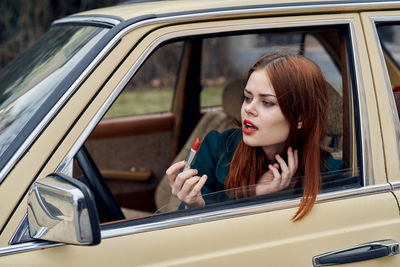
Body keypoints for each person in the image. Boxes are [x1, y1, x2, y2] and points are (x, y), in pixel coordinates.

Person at [166, 52, 344, 221]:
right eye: (247, 97)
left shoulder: (333, 172)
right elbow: (189, 233)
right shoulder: (217, 146)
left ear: (300, 118)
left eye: (267, 102)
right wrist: (196, 204)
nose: (248, 108)